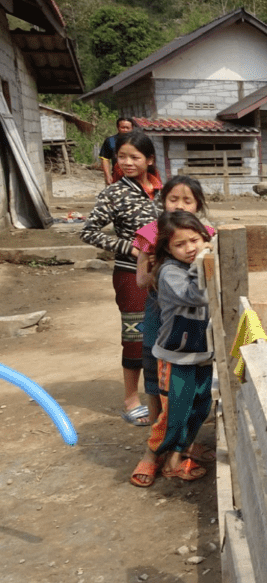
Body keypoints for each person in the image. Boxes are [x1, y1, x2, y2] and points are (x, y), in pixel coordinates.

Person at [132, 175, 217, 468]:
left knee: (200, 405)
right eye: (180, 244)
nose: (190, 247)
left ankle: (180, 454)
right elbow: (197, 296)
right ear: (168, 249)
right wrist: (202, 262)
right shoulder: (170, 272)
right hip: (176, 353)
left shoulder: (206, 259)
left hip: (204, 352)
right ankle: (152, 455)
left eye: (195, 240)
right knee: (173, 412)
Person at [81, 129, 162, 427]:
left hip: (165, 275)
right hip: (131, 274)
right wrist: (129, 248)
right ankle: (131, 400)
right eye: (122, 157)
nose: (127, 162)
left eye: (134, 157)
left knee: (162, 335)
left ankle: (160, 397)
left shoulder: (163, 192)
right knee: (135, 337)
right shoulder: (114, 192)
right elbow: (88, 231)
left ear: (149, 160)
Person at [99, 118, 135, 185]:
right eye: (123, 127)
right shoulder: (110, 141)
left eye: (127, 128)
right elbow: (104, 158)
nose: (125, 130)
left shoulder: (138, 141)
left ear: (132, 128)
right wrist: (107, 175)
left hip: (135, 176)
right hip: (117, 176)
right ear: (118, 127)